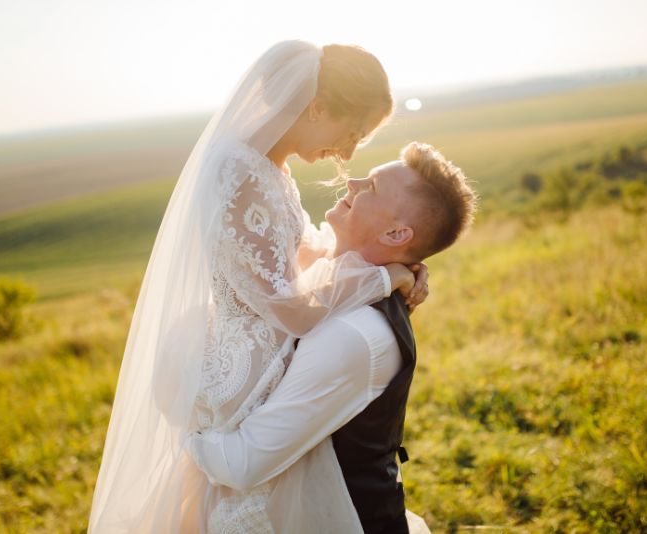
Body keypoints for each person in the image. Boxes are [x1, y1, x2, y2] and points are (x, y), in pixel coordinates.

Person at [88, 41, 429, 533]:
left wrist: (405, 261)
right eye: (352, 133)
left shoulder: (270, 168)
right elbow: (290, 309)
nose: (349, 154)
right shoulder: (237, 170)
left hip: (265, 360)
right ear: (317, 108)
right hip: (245, 375)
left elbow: (308, 249)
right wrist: (381, 278)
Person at [186, 142, 478, 533]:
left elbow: (244, 463)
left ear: (395, 232)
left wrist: (180, 438)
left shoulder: (353, 334)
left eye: (371, 187)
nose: (353, 180)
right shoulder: (323, 290)